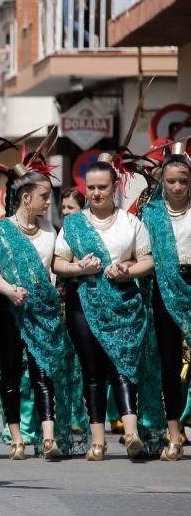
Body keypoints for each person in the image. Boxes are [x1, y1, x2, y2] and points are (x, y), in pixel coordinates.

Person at [53, 155, 159, 461]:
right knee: (93, 370)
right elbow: (58, 263)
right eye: (91, 188)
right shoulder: (74, 224)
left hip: (123, 301)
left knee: (123, 364)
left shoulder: (130, 222)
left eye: (102, 187)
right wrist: (79, 268)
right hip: (84, 300)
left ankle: (132, 434)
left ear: (115, 187)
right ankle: (97, 441)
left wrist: (128, 270)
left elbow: (148, 260)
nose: (96, 193)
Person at [0, 159, 83, 461]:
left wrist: (79, 266)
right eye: (44, 196)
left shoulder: (51, 231)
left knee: (43, 371)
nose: (49, 202)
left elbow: (55, 267)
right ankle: (16, 438)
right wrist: (8, 290)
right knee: (10, 373)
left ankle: (48, 438)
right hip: (8, 309)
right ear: (26, 198)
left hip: (43, 312)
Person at [140, 142, 191, 460]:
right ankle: (174, 434)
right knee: (170, 364)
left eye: (183, 181)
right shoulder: (151, 215)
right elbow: (141, 253)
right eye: (171, 180)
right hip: (164, 290)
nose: (176, 186)